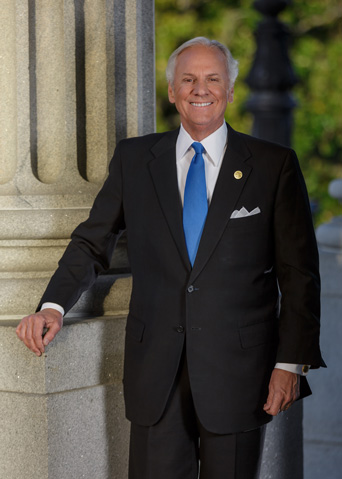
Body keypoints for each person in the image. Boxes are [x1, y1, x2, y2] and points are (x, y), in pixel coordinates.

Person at [16, 37, 325, 479]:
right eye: (189, 79)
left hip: (241, 376)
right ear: (172, 92)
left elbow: (299, 276)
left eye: (213, 79)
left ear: (231, 90)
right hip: (155, 375)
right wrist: (53, 306)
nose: (201, 89)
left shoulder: (274, 166)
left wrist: (289, 362)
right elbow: (92, 241)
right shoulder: (135, 159)